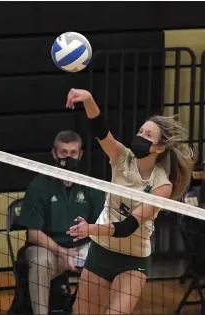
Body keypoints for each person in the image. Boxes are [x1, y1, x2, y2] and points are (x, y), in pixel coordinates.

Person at [65, 88, 194, 315]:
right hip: (101, 252)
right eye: (140, 131)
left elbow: (127, 228)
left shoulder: (162, 186)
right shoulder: (122, 157)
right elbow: (101, 131)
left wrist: (89, 229)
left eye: (147, 135)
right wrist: (88, 99)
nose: (140, 137)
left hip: (133, 261)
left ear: (159, 148)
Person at [16, 130, 105, 315]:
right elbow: (33, 234)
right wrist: (64, 253)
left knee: (109, 261)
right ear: (54, 154)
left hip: (83, 250)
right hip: (48, 250)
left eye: (73, 153)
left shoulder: (91, 187)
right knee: (40, 262)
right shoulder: (39, 185)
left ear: (80, 155)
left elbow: (101, 228)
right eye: (63, 152)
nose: (68, 157)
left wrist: (84, 250)